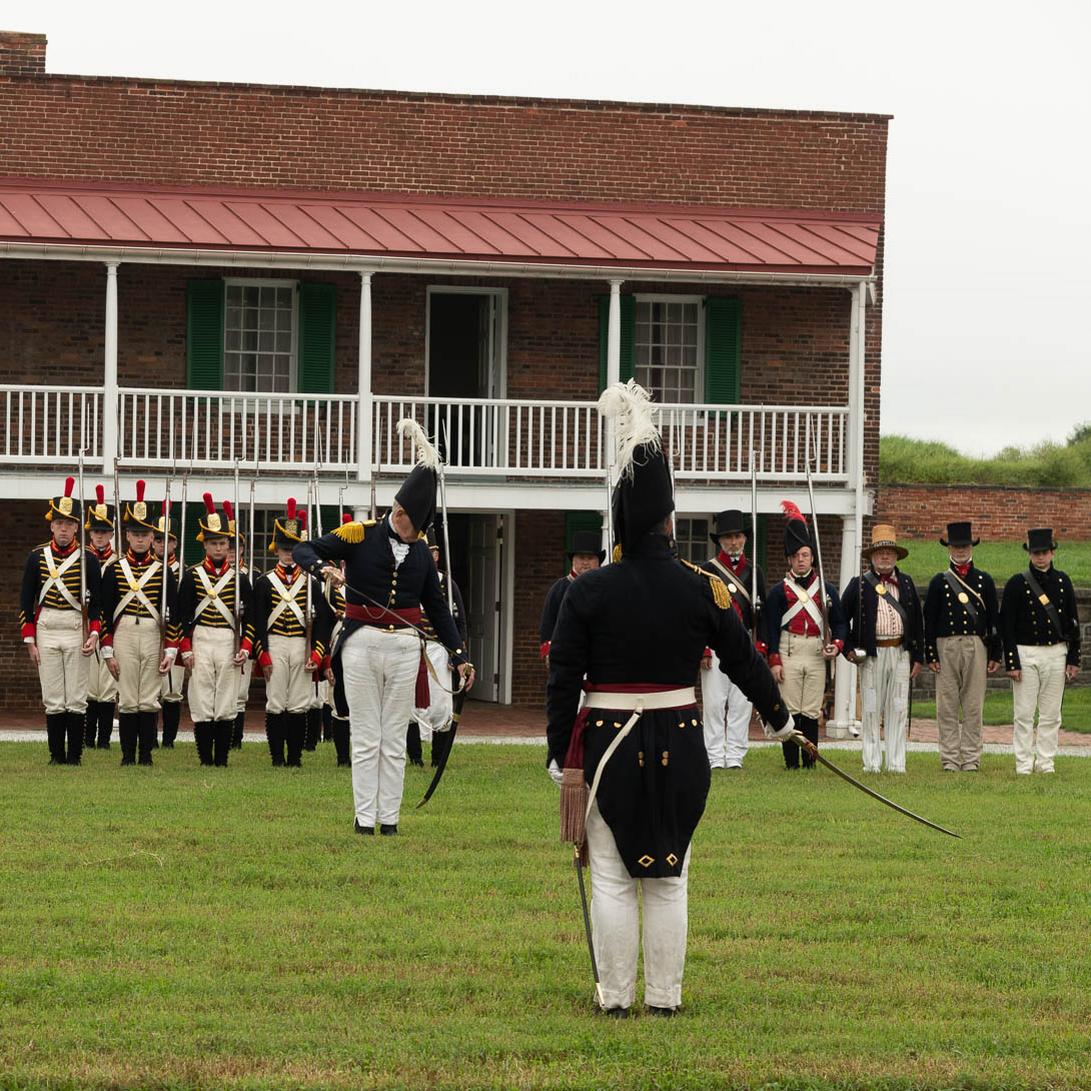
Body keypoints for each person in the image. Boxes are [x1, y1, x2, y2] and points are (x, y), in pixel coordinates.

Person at [546, 381, 792, 1017]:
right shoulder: (702, 588)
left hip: (604, 743)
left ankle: (616, 999)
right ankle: (664, 998)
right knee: (669, 877)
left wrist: (556, 753)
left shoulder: (588, 591)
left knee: (610, 875)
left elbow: (562, 679)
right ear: (670, 520)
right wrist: (782, 718)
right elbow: (743, 661)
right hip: (682, 743)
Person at [293, 419, 474, 836]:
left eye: (419, 530)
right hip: (361, 644)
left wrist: (459, 654)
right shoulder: (359, 534)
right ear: (398, 511)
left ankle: (389, 819)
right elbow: (306, 548)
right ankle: (363, 817)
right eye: (409, 523)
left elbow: (438, 609)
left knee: (395, 737)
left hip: (406, 648)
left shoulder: (423, 555)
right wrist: (323, 569)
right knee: (366, 735)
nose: (411, 533)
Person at [19, 476, 103, 765]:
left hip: (75, 628)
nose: (64, 528)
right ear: (51, 525)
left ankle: (75, 756)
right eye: (59, 523)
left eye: (69, 523)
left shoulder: (88, 560)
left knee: (77, 696)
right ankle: (56, 755)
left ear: (77, 527)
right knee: (53, 695)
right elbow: (26, 601)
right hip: (47, 628)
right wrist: (29, 639)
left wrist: (93, 633)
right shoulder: (36, 558)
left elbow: (97, 604)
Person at [100, 480, 180, 766]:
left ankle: (146, 755)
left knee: (148, 697)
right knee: (127, 697)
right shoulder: (114, 570)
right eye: (135, 533)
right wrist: (107, 649)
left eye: (145, 534)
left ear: (151, 536)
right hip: (123, 634)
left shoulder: (163, 572)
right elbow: (105, 613)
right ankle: (126, 756)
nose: (140, 539)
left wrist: (171, 649)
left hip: (151, 633)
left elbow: (172, 613)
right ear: (127, 535)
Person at [762, 502, 846, 770]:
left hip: (815, 652)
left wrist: (836, 645)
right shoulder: (778, 592)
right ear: (789, 558)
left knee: (810, 710)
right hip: (789, 650)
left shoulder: (827, 590)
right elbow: (770, 627)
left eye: (806, 555)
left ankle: (810, 762)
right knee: (789, 709)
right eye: (797, 555)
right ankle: (791, 763)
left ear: (812, 557)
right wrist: (773, 659)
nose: (801, 559)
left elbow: (841, 623)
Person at [176, 494, 256, 767]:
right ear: (205, 546)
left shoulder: (240, 580)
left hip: (227, 638)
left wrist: (245, 647)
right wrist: (185, 649)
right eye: (214, 543)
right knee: (202, 696)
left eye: (223, 543)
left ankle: (221, 758)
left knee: (225, 698)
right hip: (201, 638)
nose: (219, 548)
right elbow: (183, 616)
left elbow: (252, 619)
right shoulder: (192, 576)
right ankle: (205, 757)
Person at [252, 499, 331, 768]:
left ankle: (295, 757)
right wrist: (262, 654)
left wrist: (318, 654)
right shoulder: (264, 583)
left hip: (301, 643)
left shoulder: (312, 583)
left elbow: (322, 623)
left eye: (293, 549)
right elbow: (258, 621)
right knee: (276, 702)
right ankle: (277, 757)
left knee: (299, 703)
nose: (289, 554)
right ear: (276, 550)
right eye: (285, 549)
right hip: (275, 643)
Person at [840, 524, 923, 774]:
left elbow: (917, 621)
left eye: (889, 551)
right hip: (872, 655)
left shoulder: (906, 583)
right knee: (871, 709)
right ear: (872, 557)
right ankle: (872, 763)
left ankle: (897, 763)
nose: (885, 556)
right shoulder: (859, 584)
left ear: (896, 555)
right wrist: (849, 649)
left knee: (898, 708)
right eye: (880, 552)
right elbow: (841, 618)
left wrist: (918, 656)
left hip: (900, 653)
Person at [1000, 527, 1081, 775]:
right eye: (1036, 552)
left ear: (1052, 553)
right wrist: (1012, 661)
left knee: (1051, 714)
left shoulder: (1062, 581)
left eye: (1044, 552)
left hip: (1056, 652)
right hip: (1026, 653)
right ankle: (1023, 764)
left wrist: (1073, 658)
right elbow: (1007, 626)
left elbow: (1072, 622)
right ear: (1030, 554)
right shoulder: (1017, 583)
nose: (1040, 557)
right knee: (1024, 713)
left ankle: (1046, 763)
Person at [923, 521, 1001, 772]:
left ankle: (970, 758)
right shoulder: (939, 581)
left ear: (971, 547)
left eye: (964, 546)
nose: (960, 550)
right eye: (956, 546)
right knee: (946, 705)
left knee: (973, 705)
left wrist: (995, 652)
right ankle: (949, 758)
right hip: (946, 645)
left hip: (976, 645)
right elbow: (930, 620)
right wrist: (930, 652)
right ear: (949, 548)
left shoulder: (984, 580)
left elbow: (993, 620)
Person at [699, 509, 766, 770]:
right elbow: (701, 612)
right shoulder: (707, 570)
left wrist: (760, 645)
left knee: (742, 702)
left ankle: (735, 754)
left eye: (737, 537)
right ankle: (714, 754)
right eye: (728, 538)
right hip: (715, 643)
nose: (733, 542)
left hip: (744, 643)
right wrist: (703, 648)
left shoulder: (754, 571)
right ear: (720, 541)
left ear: (745, 539)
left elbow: (760, 612)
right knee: (715, 702)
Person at [408, 526, 469, 768]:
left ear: (436, 555)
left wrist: (458, 655)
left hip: (438, 648)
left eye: (430, 552)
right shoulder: (406, 580)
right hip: (411, 647)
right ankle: (414, 758)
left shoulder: (447, 583)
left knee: (442, 705)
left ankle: (438, 758)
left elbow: (459, 621)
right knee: (410, 705)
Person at [84, 484, 118, 749]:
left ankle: (104, 739)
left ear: (111, 534)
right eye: (96, 531)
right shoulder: (81, 558)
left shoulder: (118, 562)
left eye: (105, 531)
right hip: (85, 624)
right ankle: (86, 738)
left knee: (106, 686)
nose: (100, 536)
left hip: (110, 628)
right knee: (86, 684)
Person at [538, 531, 605, 665]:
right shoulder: (559, 588)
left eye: (590, 558)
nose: (586, 562)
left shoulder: (608, 587)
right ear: (573, 560)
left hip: (600, 657)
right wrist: (549, 653)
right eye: (581, 557)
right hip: (567, 657)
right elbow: (548, 623)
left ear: (598, 561)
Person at [153, 505, 184, 748]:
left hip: (175, 637)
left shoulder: (184, 572)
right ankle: (150, 738)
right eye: (159, 539)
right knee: (150, 690)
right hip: (150, 635)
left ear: (175, 544)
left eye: (168, 540)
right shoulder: (145, 569)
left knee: (172, 692)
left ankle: (169, 740)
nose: (163, 545)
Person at [225, 506, 254, 750]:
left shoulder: (250, 575)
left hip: (244, 635)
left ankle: (236, 739)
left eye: (237, 547)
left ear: (242, 549)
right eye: (229, 546)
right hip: (223, 635)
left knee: (241, 693)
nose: (232, 551)